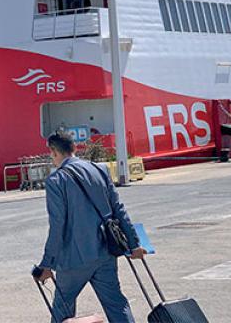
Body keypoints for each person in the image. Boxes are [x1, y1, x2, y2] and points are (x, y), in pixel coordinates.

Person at [35, 131, 146, 323]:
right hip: (105, 252)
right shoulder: (99, 170)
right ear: (74, 148)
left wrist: (47, 264)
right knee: (116, 304)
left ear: (54, 152)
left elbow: (57, 226)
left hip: (73, 260)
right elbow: (118, 210)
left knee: (63, 309)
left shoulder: (56, 181)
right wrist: (134, 244)